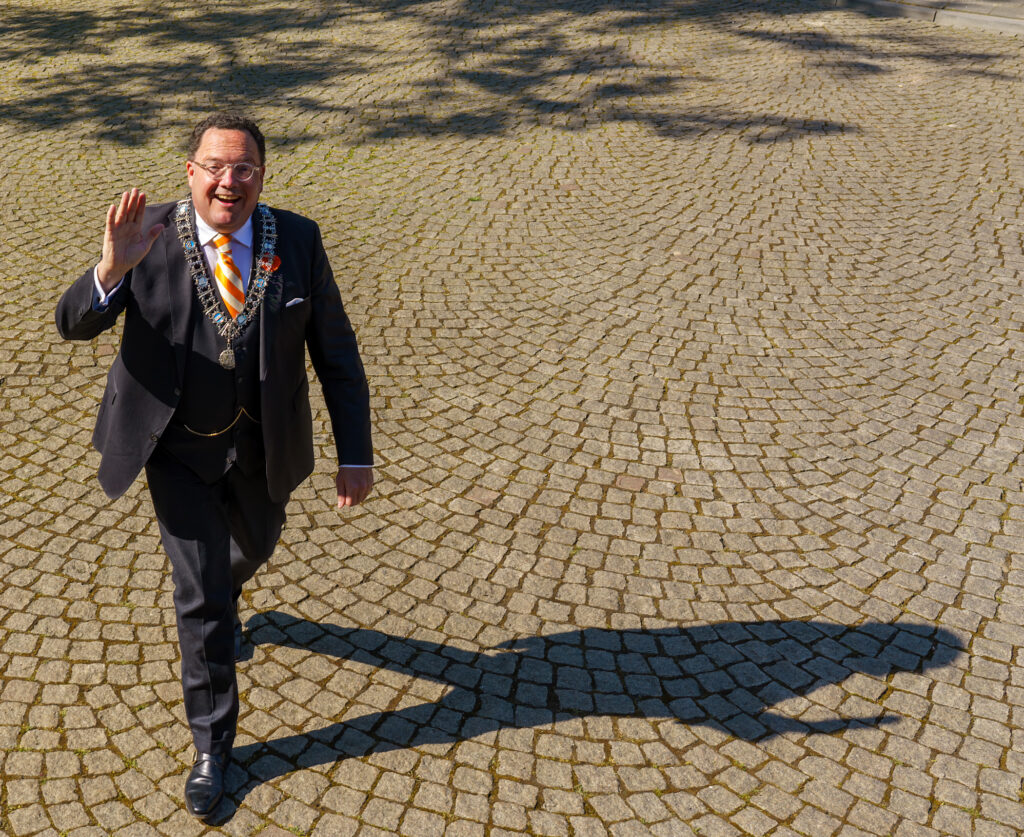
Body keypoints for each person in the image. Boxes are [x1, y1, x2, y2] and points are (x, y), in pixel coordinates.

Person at [55, 113, 373, 821]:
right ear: (190, 171)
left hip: (265, 445)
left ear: (263, 173)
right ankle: (213, 746)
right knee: (198, 593)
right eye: (217, 167)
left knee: (252, 547)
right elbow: (70, 322)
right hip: (173, 447)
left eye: (246, 168)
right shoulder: (148, 237)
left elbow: (336, 352)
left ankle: (227, 605)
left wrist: (356, 452)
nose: (231, 181)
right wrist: (111, 269)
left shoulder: (298, 239)